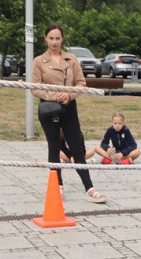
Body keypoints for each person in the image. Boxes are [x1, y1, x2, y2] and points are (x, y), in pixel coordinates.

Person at [31, 24, 105, 203]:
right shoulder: (39, 61)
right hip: (49, 108)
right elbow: (34, 87)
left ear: (62, 39)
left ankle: (89, 187)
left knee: (77, 147)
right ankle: (57, 185)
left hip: (69, 108)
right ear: (45, 39)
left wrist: (69, 95)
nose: (54, 42)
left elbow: (81, 83)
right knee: (54, 147)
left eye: (57, 38)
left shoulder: (71, 59)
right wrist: (54, 96)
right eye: (51, 38)